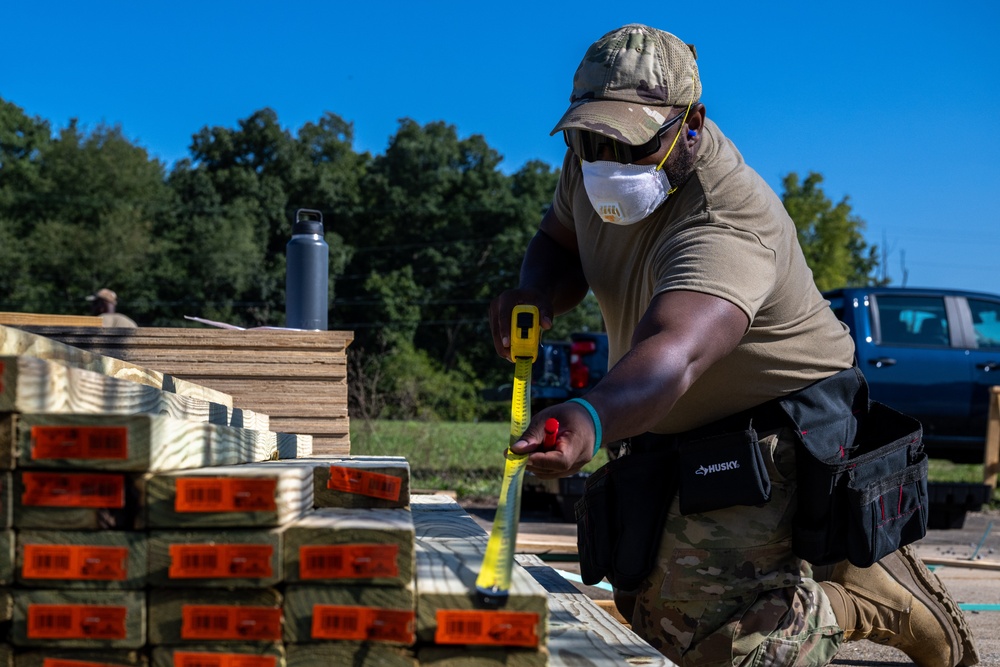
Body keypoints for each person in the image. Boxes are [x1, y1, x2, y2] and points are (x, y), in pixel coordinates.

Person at [489, 24, 978, 667]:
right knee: (645, 618)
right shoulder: (588, 163)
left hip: (779, 421)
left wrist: (591, 416)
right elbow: (558, 242)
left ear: (691, 124)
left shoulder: (726, 216)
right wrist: (535, 293)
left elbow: (678, 349)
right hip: (666, 418)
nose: (609, 162)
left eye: (632, 144)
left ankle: (867, 597)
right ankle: (817, 570)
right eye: (590, 139)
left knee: (719, 650)